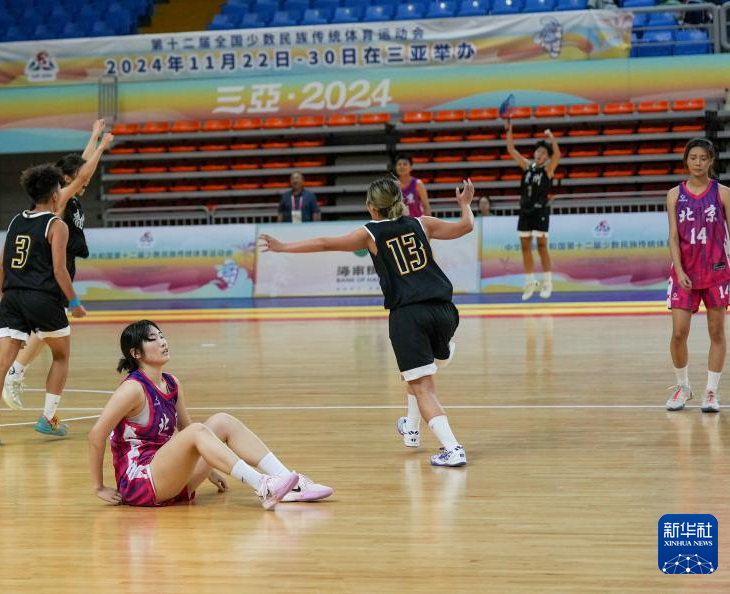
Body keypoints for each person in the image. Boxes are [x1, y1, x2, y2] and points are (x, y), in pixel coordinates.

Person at [260, 176, 476, 467]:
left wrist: (283, 247)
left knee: (422, 384)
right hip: (445, 310)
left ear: (372, 207)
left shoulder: (370, 233)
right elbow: (466, 226)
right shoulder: (422, 223)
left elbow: (324, 243)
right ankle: (412, 427)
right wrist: (465, 204)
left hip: (409, 315)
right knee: (416, 373)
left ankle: (452, 448)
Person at [88, 320, 333, 509]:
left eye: (162, 336)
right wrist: (99, 487)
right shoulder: (132, 389)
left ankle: (290, 482)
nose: (162, 342)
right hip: (141, 481)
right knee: (197, 431)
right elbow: (96, 435)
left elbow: (186, 432)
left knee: (221, 421)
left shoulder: (171, 382)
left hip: (169, 476)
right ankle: (263, 486)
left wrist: (210, 467)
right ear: (136, 353)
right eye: (153, 339)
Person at [0, 134, 111, 446]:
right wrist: (75, 302)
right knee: (61, 356)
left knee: (0, 363)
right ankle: (48, 418)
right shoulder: (56, 224)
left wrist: (7, 299)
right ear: (55, 194)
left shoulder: (14, 221)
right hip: (43, 296)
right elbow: (59, 270)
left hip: (12, 297)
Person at [2, 120, 106, 415]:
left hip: (64, 265)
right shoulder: (62, 200)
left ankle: (17, 371)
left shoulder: (69, 194)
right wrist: (103, 146)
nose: (86, 182)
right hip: (53, 270)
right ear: (66, 180)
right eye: (80, 180)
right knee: (50, 328)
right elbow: (84, 171)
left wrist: (94, 135)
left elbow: (81, 167)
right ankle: (16, 372)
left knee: (47, 329)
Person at [666, 138, 730, 413]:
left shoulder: (724, 194)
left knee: (716, 331)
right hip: (684, 274)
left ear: (711, 161)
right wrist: (679, 269)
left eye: (703, 158)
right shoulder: (674, 194)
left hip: (717, 271)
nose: (698, 162)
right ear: (686, 160)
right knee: (678, 333)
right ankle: (683, 387)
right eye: (693, 157)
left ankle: (711, 391)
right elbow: (673, 237)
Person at [506, 124, 560, 300]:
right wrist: (509, 129)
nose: (540, 154)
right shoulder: (527, 166)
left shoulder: (548, 170)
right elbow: (511, 149)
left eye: (543, 153)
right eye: (538, 151)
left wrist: (552, 138)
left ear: (547, 157)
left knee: (542, 246)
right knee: (525, 247)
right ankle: (530, 282)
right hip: (525, 210)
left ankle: (547, 283)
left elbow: (558, 155)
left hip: (540, 211)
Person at [393, 153, 431, 217]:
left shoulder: (418, 183)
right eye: (399, 164)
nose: (402, 166)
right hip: (400, 221)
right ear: (395, 167)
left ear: (410, 167)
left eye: (405, 164)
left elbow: (426, 206)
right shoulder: (393, 185)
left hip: (417, 221)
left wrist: (429, 222)